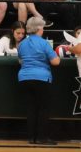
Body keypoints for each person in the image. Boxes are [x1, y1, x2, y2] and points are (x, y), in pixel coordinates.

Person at [18, 17, 60, 145]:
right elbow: (56, 62)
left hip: (24, 78)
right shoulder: (43, 43)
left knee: (30, 108)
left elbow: (20, 60)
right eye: (42, 28)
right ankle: (42, 137)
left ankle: (31, 137)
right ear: (38, 29)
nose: (43, 30)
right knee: (43, 108)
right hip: (41, 77)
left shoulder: (22, 43)